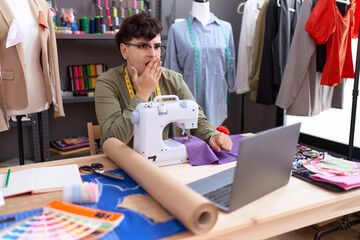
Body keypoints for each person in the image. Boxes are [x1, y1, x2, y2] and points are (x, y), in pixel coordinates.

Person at [95, 12, 232, 153]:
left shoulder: (172, 79)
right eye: (143, 46)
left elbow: (196, 117)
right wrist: (142, 94)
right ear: (124, 51)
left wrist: (211, 135)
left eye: (157, 46)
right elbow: (113, 139)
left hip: (156, 159)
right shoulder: (107, 83)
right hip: (118, 161)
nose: (153, 54)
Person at [0, 0, 64, 132]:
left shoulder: (42, 4)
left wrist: (57, 98)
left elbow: (52, 53)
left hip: (39, 90)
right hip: (9, 93)